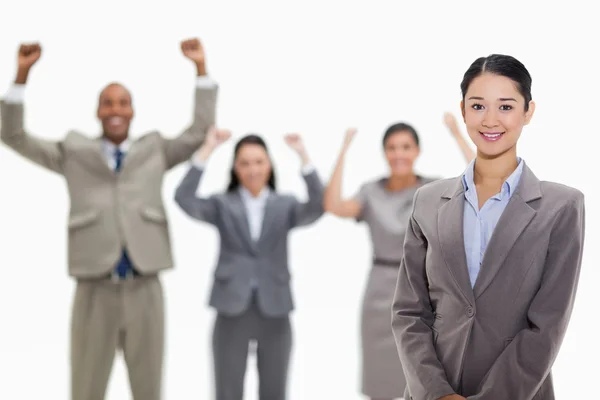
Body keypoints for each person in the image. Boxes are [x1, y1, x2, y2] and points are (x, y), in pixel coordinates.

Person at [0, 39, 217, 400]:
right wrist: (21, 75)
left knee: (148, 388)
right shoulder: (72, 152)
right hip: (94, 289)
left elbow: (198, 132)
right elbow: (13, 135)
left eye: (123, 103)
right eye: (108, 103)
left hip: (145, 287)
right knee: (86, 388)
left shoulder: (155, 151)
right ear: (98, 111)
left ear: (132, 111)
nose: (115, 109)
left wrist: (201, 70)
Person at [391, 54, 585, 400]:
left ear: (528, 112)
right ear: (463, 110)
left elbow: (547, 325)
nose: (490, 120)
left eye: (506, 107)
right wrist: (438, 393)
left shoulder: (562, 207)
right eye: (478, 106)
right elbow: (409, 312)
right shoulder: (428, 201)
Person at [323, 115, 474, 400]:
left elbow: (476, 184)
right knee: (380, 377)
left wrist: (457, 135)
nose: (399, 154)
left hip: (424, 287)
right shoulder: (370, 192)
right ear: (384, 153)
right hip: (381, 291)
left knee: (426, 371)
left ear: (417, 151)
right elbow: (334, 205)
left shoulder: (431, 189)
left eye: (405, 147)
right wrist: (342, 150)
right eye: (392, 147)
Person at [174, 128, 324, 400]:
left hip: (275, 306)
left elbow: (318, 206)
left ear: (269, 165)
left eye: (259, 162)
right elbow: (184, 199)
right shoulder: (222, 203)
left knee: (274, 390)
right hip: (232, 306)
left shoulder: (285, 204)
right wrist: (206, 150)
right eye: (244, 162)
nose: (252, 169)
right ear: (235, 168)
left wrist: (303, 155)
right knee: (227, 390)